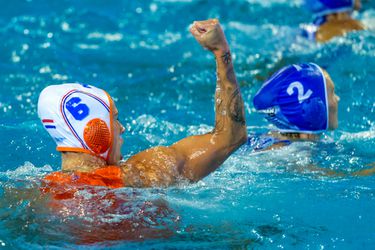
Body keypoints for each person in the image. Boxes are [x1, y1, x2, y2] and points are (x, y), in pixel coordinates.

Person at [37, 19, 247, 190]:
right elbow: (229, 136)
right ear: (96, 132)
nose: (122, 128)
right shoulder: (140, 175)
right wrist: (221, 52)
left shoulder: (39, 191)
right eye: (114, 119)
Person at [244, 62, 339, 152]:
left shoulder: (273, 139)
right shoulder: (290, 153)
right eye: (332, 93)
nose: (338, 99)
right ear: (311, 105)